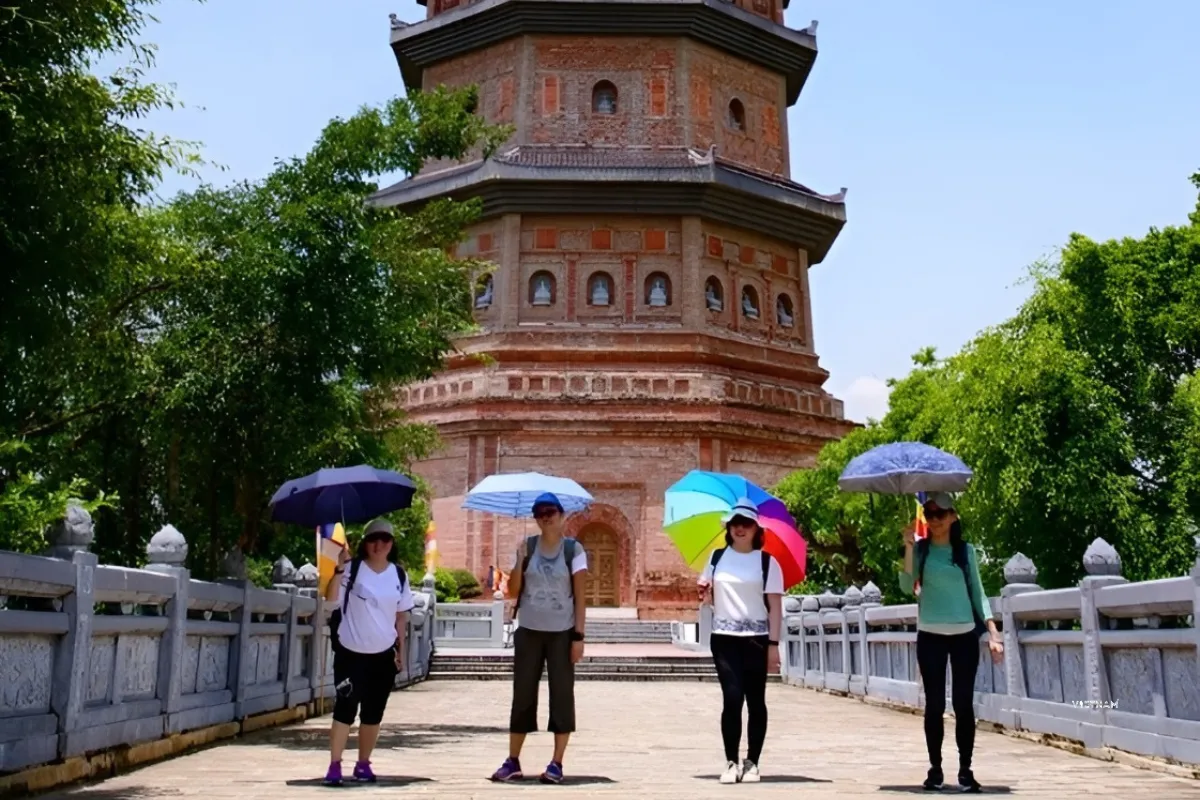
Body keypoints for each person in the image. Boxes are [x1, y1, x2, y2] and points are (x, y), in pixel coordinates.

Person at [899, 492, 1003, 793]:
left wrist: (993, 633)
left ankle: (966, 770)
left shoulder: (965, 551)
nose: (934, 520)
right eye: (929, 514)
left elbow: (978, 592)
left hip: (963, 635)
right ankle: (935, 770)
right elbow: (907, 586)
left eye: (940, 514)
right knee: (934, 705)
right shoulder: (922, 550)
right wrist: (908, 548)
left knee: (962, 703)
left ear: (953, 516)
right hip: (930, 634)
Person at [490, 492, 588, 785]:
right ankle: (513, 760)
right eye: (539, 513)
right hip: (529, 630)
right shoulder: (527, 547)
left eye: (550, 512)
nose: (545, 517)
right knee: (522, 695)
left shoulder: (574, 550)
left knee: (561, 695)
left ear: (561, 515)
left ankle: (557, 762)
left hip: (561, 633)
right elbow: (512, 591)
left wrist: (579, 637)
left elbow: (581, 597)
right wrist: (519, 561)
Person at [697, 497, 784, 784]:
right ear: (729, 527)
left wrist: (773, 645)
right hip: (724, 637)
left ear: (757, 529)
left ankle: (753, 761)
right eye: (735, 523)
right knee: (732, 699)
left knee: (755, 700)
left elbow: (775, 607)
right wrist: (704, 592)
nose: (740, 528)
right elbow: (706, 594)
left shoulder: (768, 563)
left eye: (746, 524)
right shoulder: (716, 558)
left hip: (756, 639)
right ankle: (731, 760)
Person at [322, 519, 414, 786]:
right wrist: (339, 568)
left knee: (373, 713)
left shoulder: (398, 575)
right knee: (345, 709)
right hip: (351, 653)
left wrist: (401, 652)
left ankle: (363, 763)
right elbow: (330, 600)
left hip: (383, 653)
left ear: (391, 544)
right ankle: (335, 764)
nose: (379, 545)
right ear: (365, 543)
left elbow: (401, 617)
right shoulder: (352, 569)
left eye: (385, 539)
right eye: (374, 539)